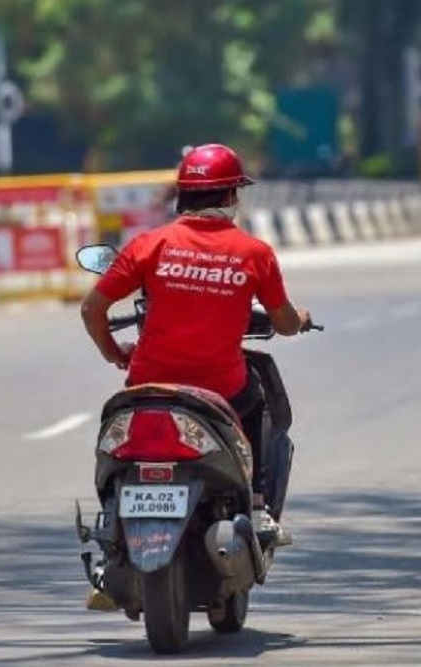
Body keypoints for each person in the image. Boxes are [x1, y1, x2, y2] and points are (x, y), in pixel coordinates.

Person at [80, 143, 313, 547]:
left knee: (116, 436)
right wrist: (301, 320)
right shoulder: (254, 253)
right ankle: (257, 507)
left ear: (183, 196)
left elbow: (92, 309)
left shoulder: (147, 246)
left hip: (147, 387)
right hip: (222, 391)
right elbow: (285, 323)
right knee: (257, 405)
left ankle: (110, 525)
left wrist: (115, 353)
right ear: (229, 196)